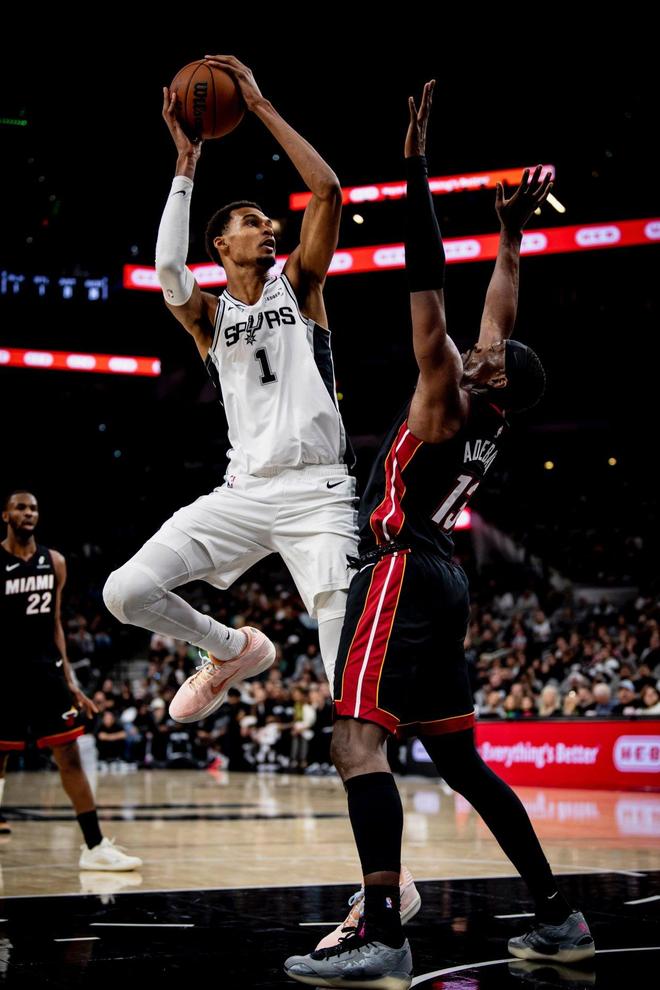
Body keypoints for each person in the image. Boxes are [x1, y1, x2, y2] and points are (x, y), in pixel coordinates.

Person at [285, 83, 594, 989]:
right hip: (442, 576)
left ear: (490, 378)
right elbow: (502, 311)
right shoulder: (492, 398)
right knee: (462, 760)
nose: (477, 343)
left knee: (355, 742)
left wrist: (416, 168)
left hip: (399, 570)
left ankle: (383, 932)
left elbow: (427, 280)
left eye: (486, 352)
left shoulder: (445, 396)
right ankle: (558, 915)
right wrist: (509, 237)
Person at [103, 54, 358, 725]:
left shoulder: (299, 285)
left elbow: (328, 191)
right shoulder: (209, 318)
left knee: (347, 690)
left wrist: (260, 105)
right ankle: (232, 649)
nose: (268, 227)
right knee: (123, 593)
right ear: (219, 244)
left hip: (320, 493)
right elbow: (166, 268)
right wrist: (186, 164)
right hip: (243, 491)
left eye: (270, 222)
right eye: (252, 221)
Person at [0, 491, 142, 870]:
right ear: (6, 515)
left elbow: (55, 624)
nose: (28, 513)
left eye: (33, 508)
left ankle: (95, 847)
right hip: (5, 676)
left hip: (45, 675)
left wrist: (70, 681)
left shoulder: (55, 562)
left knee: (70, 757)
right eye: (20, 507)